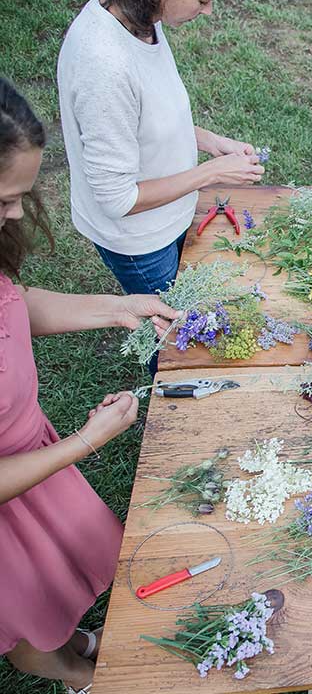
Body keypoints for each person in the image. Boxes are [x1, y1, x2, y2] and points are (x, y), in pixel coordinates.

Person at [0, 78, 182, 694]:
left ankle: (77, 639)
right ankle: (77, 676)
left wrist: (116, 307)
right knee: (26, 619)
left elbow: (13, 305)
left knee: (58, 577)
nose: (19, 215)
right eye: (4, 200)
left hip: (30, 459)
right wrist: (85, 441)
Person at [57, 0, 264, 297]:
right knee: (171, 335)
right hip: (140, 238)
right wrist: (211, 173)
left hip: (170, 211)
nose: (209, 11)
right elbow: (117, 199)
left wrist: (211, 142)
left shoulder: (141, 15)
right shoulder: (104, 65)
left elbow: (145, 117)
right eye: (203, 0)